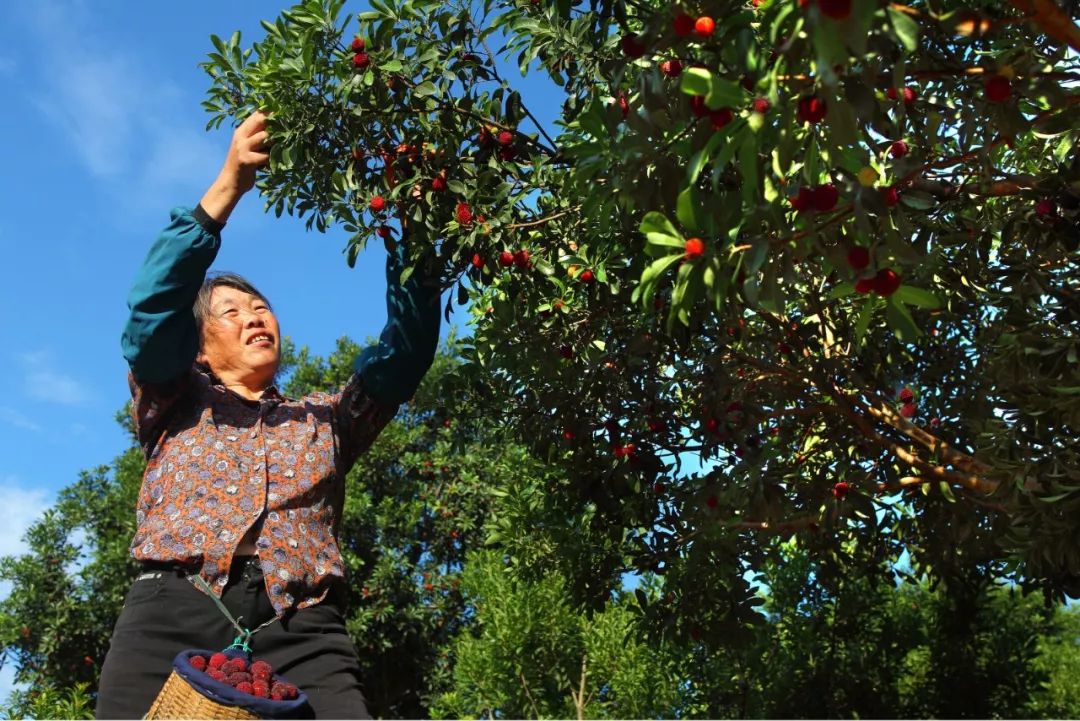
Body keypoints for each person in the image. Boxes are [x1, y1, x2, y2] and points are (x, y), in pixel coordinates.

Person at [95, 111, 441, 719]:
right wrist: (227, 184)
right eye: (232, 312)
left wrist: (412, 227)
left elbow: (403, 355)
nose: (255, 316)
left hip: (303, 629)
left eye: (261, 307)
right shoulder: (172, 397)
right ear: (200, 345)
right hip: (170, 611)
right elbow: (151, 315)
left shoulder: (325, 417)